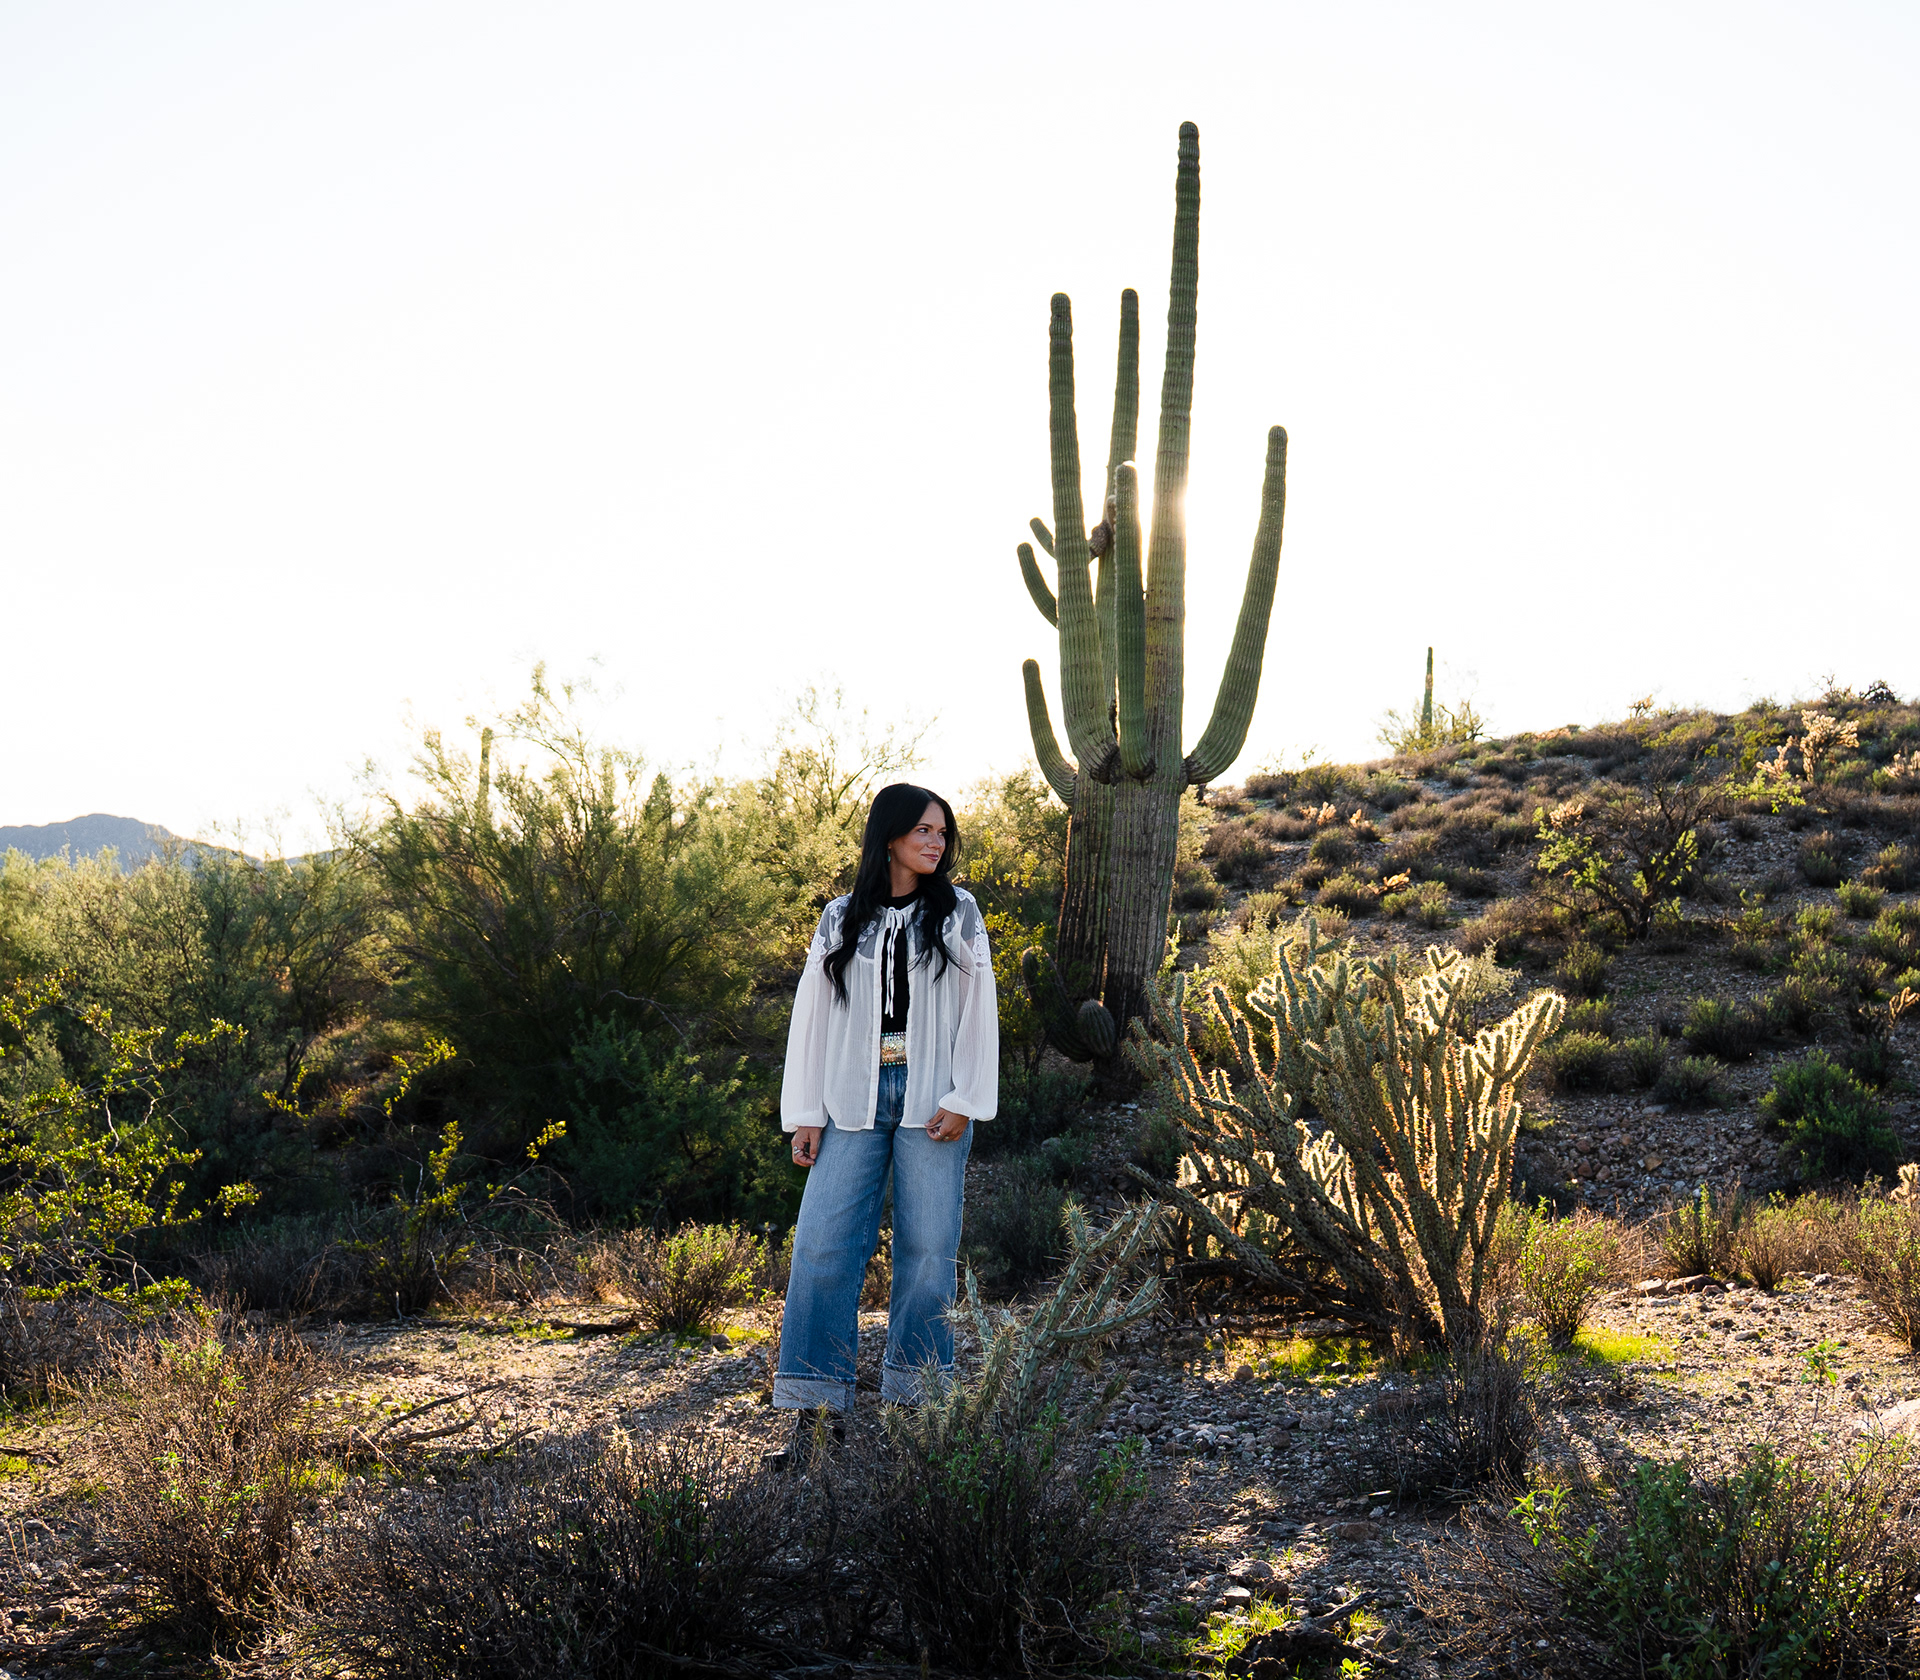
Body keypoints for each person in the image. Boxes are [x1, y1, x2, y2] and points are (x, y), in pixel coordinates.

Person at [770, 782, 997, 1439]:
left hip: (933, 1101)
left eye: (943, 833)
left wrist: (965, 1098)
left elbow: (979, 1009)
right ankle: (815, 1414)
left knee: (927, 1254)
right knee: (821, 1246)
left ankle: (917, 1411)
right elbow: (812, 1017)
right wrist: (806, 1111)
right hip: (850, 1098)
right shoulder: (841, 918)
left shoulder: (958, 913)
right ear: (890, 836)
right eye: (924, 830)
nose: (936, 843)